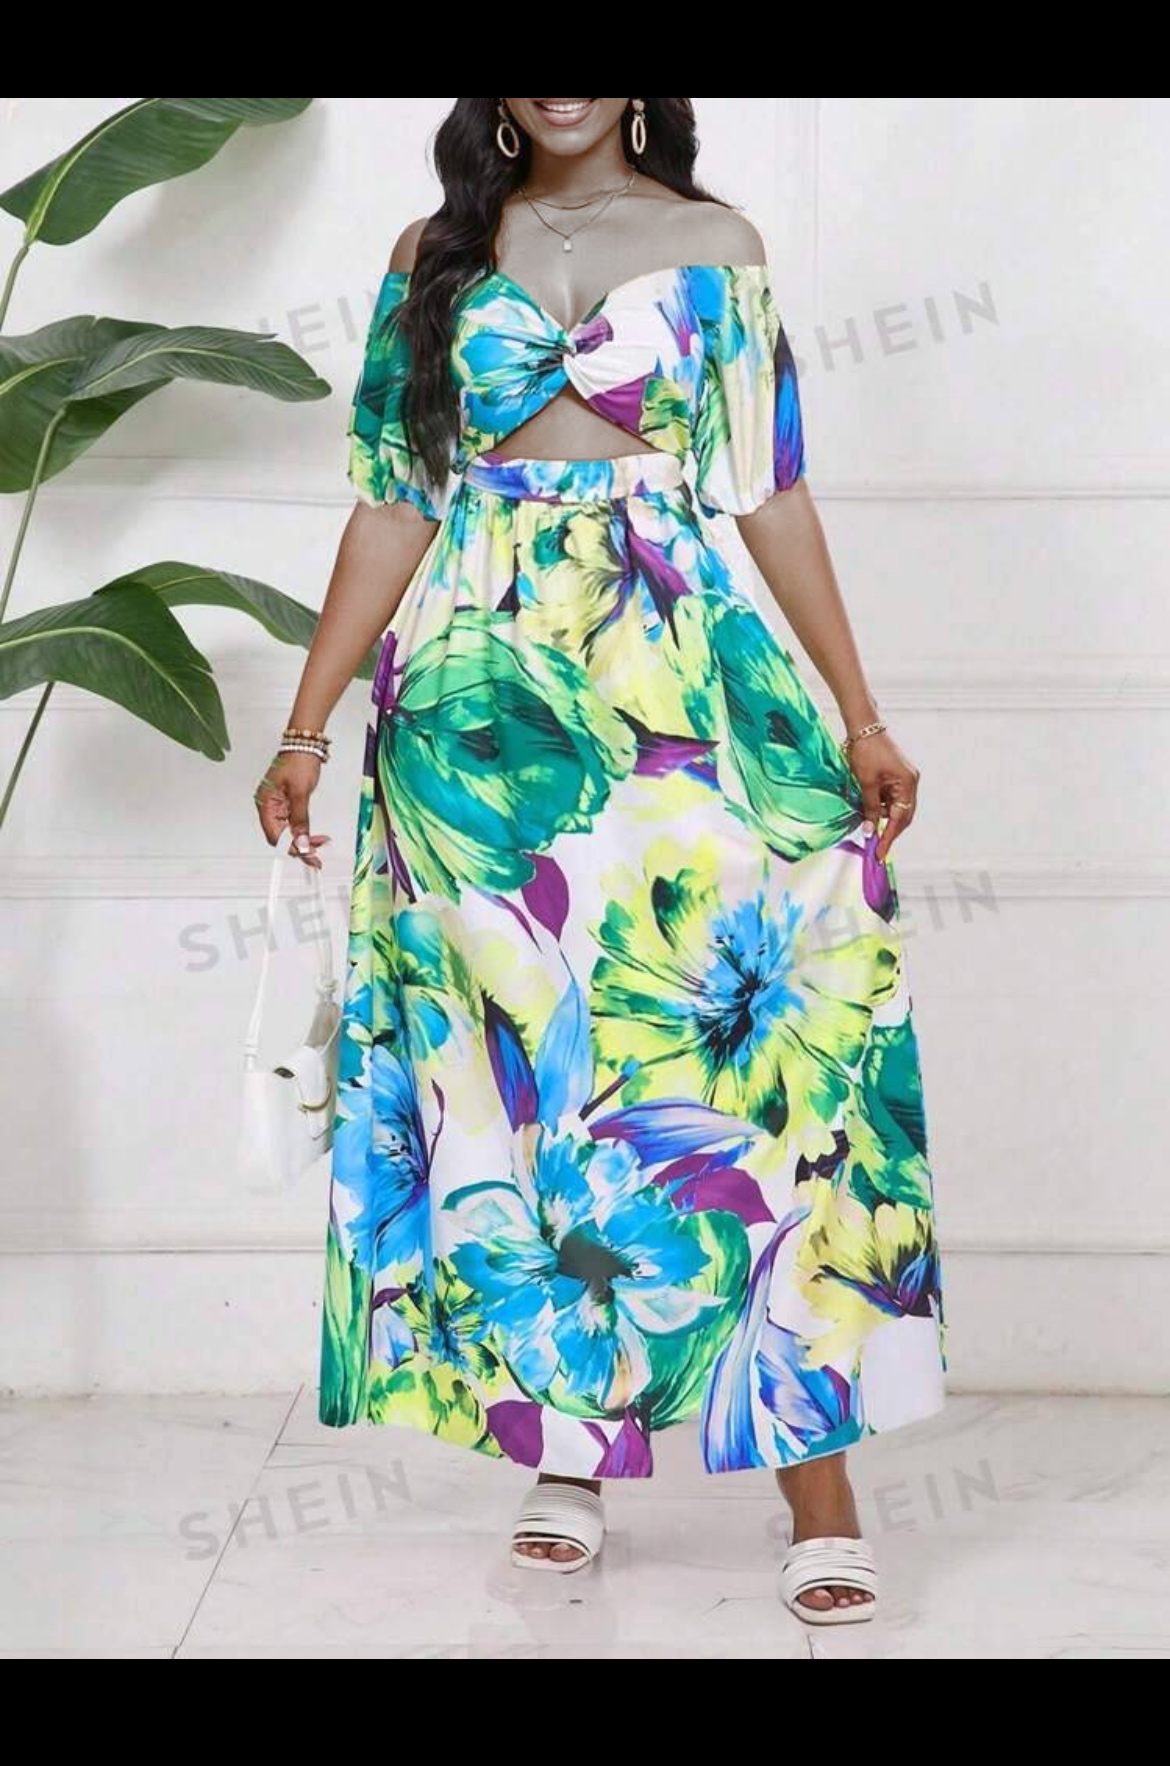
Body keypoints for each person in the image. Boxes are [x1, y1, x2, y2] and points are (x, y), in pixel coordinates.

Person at [254, 98, 945, 1626]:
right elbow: (392, 501)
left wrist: (858, 713)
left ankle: (816, 1476)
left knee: (758, 1056)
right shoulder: (435, 254)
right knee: (517, 1073)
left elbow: (767, 488)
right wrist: (305, 727)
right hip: (476, 707)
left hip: (683, 684)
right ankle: (564, 1447)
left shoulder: (714, 243)